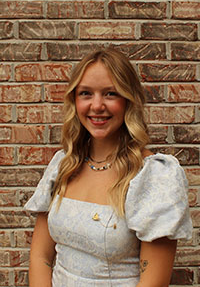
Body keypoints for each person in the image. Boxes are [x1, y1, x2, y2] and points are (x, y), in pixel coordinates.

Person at [25, 48, 192, 287]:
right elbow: (41, 257)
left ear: (129, 100)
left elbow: (153, 282)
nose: (97, 105)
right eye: (85, 94)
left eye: (110, 94)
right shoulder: (63, 164)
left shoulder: (153, 177)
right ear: (75, 100)